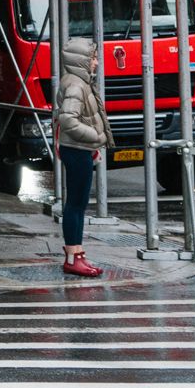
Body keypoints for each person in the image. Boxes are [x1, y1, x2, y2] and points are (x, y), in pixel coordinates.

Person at [53, 36, 112, 279]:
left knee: (77, 204)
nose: (97, 62)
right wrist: (95, 136)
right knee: (76, 205)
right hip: (76, 149)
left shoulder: (77, 81)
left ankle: (77, 254)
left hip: (78, 149)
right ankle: (73, 258)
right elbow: (68, 120)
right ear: (81, 60)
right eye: (93, 58)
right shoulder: (76, 85)